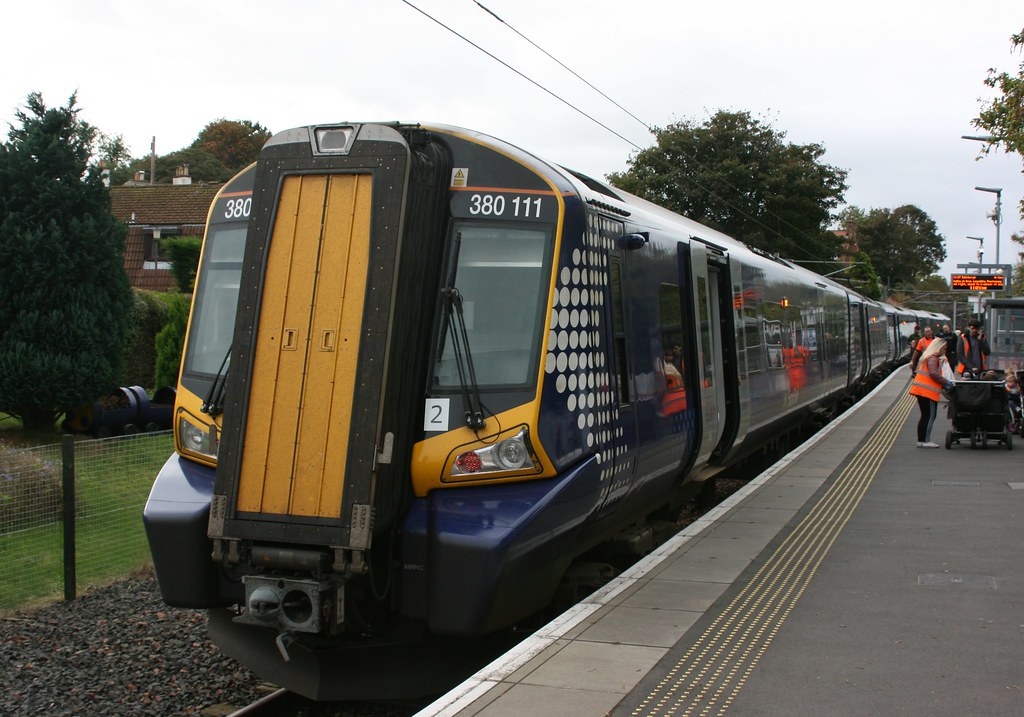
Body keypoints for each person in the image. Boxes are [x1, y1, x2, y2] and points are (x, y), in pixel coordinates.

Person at [909, 337, 951, 448]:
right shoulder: (933, 358)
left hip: (921, 390)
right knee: (930, 416)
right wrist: (947, 382)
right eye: (944, 348)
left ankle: (921, 440)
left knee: (924, 416)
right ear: (939, 347)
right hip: (928, 392)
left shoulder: (928, 357)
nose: (945, 351)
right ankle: (926, 440)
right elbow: (934, 374)